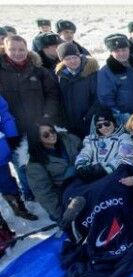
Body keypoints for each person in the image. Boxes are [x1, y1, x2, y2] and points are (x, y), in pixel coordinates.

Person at [0, 35, 63, 199]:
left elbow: (52, 95)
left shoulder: (39, 71)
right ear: (5, 49)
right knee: (20, 163)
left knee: (42, 160)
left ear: (26, 49)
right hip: (12, 129)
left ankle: (48, 191)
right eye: (12, 49)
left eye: (21, 49)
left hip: (38, 124)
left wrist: (47, 118)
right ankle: (28, 193)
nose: (17, 53)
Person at [26, 123, 81, 222]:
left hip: (87, 181)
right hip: (67, 195)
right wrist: (60, 215)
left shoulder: (69, 139)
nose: (51, 135)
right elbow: (44, 194)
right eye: (46, 135)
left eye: (52, 131)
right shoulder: (35, 164)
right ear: (38, 139)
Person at [74, 107, 133, 183]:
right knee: (71, 190)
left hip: (113, 173)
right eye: (99, 126)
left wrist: (106, 170)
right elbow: (84, 153)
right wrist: (81, 167)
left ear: (113, 122)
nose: (104, 128)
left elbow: (124, 157)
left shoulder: (125, 137)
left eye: (106, 124)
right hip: (93, 174)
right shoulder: (91, 139)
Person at [1, 96, 37, 220]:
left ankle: (19, 206)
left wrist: (12, 137)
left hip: (2, 146)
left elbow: (5, 116)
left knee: (6, 180)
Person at [97, 33, 133, 123]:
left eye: (124, 49)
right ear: (111, 52)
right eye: (117, 51)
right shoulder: (106, 72)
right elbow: (106, 99)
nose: (121, 53)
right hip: (125, 117)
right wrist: (120, 115)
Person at [55, 42, 99, 138]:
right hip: (70, 123)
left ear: (79, 56)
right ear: (62, 61)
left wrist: (88, 117)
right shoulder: (61, 76)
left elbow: (97, 98)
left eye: (75, 57)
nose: (72, 61)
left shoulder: (91, 73)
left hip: (89, 121)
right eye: (68, 59)